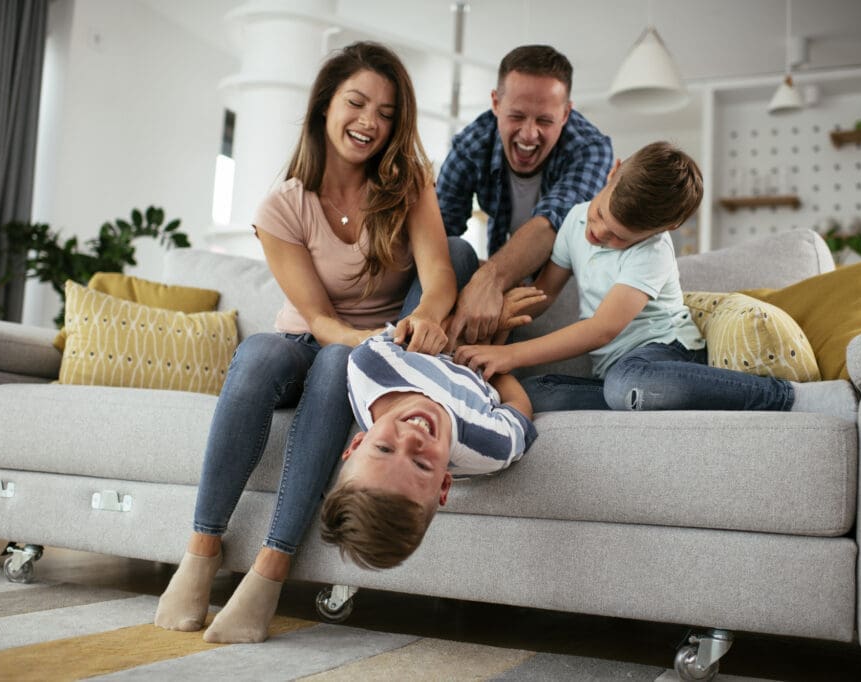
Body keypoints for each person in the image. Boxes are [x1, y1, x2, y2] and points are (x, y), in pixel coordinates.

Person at [154, 41, 475, 645]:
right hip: (317, 335)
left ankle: (272, 567)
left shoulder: (408, 186)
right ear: (325, 105)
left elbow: (440, 278)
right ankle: (200, 550)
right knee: (258, 356)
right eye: (356, 103)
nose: (370, 123)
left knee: (337, 364)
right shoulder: (282, 206)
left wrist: (428, 319)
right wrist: (369, 343)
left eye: (386, 113)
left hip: (366, 351)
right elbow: (318, 319)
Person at [454, 141, 857, 420]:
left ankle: (789, 397)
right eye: (600, 216)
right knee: (537, 392)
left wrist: (510, 357)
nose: (599, 234)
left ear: (663, 228)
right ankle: (636, 399)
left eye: (618, 237)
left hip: (667, 353)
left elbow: (601, 329)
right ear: (613, 173)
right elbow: (542, 294)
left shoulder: (652, 252)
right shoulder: (575, 220)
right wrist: (503, 312)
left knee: (624, 384)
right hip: (617, 373)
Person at [319, 322, 537, 570]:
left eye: (384, 449)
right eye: (421, 464)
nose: (411, 439)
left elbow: (419, 324)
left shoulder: (370, 366)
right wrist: (484, 353)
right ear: (445, 484)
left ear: (357, 442)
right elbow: (518, 404)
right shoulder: (490, 445)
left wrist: (455, 330)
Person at [436, 44, 613, 346]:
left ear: (566, 113)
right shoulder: (471, 145)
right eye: (517, 116)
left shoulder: (590, 149)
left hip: (563, 273)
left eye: (544, 120)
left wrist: (488, 280)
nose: (529, 134)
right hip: (506, 265)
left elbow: (552, 223)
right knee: (453, 250)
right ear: (495, 103)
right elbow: (437, 232)